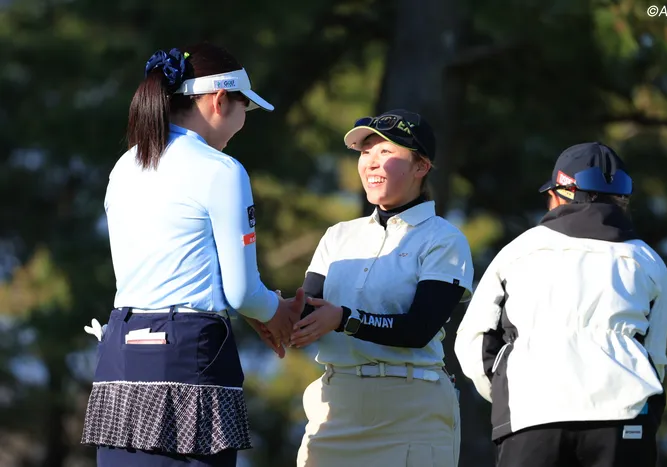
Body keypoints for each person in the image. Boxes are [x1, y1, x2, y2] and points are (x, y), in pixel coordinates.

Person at [80, 43, 305, 467]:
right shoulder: (222, 169)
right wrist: (276, 313)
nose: (243, 123)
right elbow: (241, 292)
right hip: (188, 360)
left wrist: (258, 310)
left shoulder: (124, 166)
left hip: (120, 359)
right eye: (244, 108)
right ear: (220, 100)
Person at [454, 142, 667, 467]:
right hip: (625, 417)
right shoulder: (647, 260)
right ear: (622, 199)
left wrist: (509, 394)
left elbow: (473, 343)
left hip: (532, 418)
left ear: (562, 194)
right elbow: (655, 358)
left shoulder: (519, 251)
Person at [290, 109, 474, 467]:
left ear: (421, 166)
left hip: (413, 410)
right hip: (334, 408)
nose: (371, 162)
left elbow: (418, 329)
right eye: (365, 152)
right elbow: (306, 311)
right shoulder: (338, 235)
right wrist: (266, 311)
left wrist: (344, 319)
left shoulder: (444, 239)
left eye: (386, 151)